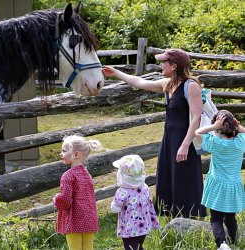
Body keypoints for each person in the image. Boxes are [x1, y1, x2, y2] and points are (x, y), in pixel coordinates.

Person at [103, 48, 207, 218]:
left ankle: (190, 219)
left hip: (184, 140)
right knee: (167, 176)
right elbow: (139, 82)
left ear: (173, 65)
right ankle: (170, 218)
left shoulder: (191, 86)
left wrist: (185, 145)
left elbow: (196, 119)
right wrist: (115, 73)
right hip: (169, 140)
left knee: (184, 178)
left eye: (163, 62)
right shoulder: (168, 84)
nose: (160, 65)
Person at [195, 110, 245, 250]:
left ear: (217, 129)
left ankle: (222, 244)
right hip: (233, 185)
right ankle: (234, 243)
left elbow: (197, 132)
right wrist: (237, 126)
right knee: (230, 218)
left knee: (216, 219)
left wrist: (213, 126)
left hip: (218, 185)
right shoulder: (240, 142)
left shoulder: (215, 143)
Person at [53, 135, 102, 250]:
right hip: (89, 220)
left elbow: (65, 201)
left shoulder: (68, 176)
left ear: (76, 154)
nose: (61, 153)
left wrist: (56, 199)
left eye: (64, 151)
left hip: (74, 221)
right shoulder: (87, 175)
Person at [111, 154, 159, 250]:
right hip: (144, 226)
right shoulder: (145, 188)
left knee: (131, 247)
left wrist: (113, 204)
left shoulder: (122, 192)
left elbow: (115, 209)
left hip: (129, 229)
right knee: (138, 246)